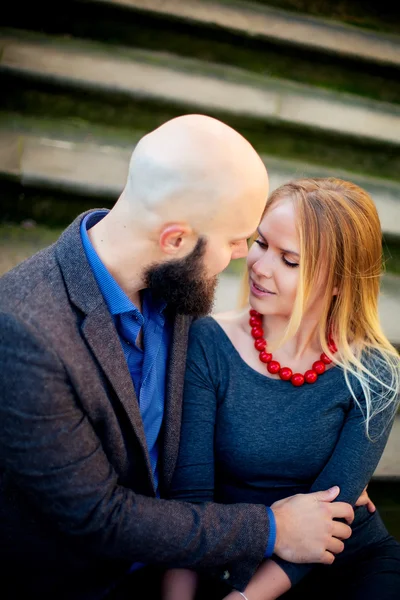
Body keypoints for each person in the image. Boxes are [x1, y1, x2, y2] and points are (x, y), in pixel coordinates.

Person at [0, 116, 370, 600]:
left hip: (184, 560)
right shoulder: (25, 332)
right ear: (175, 240)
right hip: (86, 580)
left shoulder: (174, 284)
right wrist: (273, 526)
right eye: (239, 240)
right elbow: (99, 518)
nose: (245, 257)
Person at [166, 177, 400, 600]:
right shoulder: (209, 344)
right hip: (237, 554)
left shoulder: (375, 374)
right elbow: (189, 502)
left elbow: (333, 510)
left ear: (337, 283)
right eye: (261, 243)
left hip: (346, 561)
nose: (260, 265)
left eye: (290, 260)